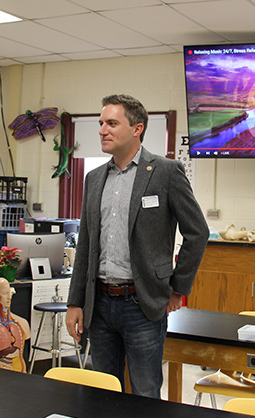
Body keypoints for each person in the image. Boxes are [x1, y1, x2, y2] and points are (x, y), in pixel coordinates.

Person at [65, 94, 208, 398]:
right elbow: (86, 244)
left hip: (142, 305)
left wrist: (178, 289)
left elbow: (197, 232)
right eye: (101, 123)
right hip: (99, 305)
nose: (103, 130)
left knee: (145, 395)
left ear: (137, 129)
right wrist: (75, 302)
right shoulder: (93, 179)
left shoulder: (165, 172)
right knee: (103, 393)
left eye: (112, 123)